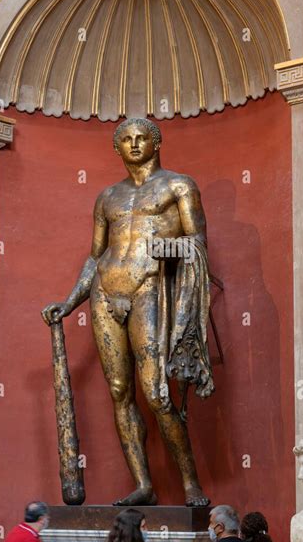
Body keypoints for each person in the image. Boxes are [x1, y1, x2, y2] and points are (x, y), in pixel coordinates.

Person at [42, 117, 214, 507]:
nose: (134, 144)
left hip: (148, 287)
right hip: (105, 291)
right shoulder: (107, 197)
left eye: (142, 138)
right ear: (116, 147)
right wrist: (70, 302)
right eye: (126, 139)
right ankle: (143, 484)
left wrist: (165, 250)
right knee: (120, 392)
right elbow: (95, 256)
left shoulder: (178, 185)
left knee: (156, 394)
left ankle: (190, 483)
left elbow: (198, 242)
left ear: (156, 142)